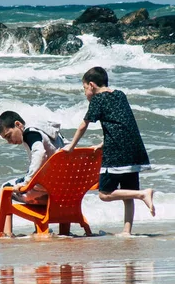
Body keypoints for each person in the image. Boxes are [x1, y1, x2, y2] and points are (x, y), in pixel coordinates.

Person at [63, 66, 155, 236]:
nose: (85, 94)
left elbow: (84, 124)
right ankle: (127, 231)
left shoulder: (98, 99)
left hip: (117, 153)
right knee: (129, 193)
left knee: (104, 194)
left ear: (91, 85)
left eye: (84, 89)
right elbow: (122, 123)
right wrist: (103, 142)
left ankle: (143, 194)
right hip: (134, 150)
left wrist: (72, 146)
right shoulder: (120, 94)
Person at [0, 110, 66, 236]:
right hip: (64, 193)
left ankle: (7, 234)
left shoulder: (30, 132)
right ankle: (44, 228)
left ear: (18, 124)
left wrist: (27, 182)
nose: (9, 141)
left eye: (8, 136)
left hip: (46, 192)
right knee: (35, 179)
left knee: (4, 188)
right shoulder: (53, 134)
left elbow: (39, 153)